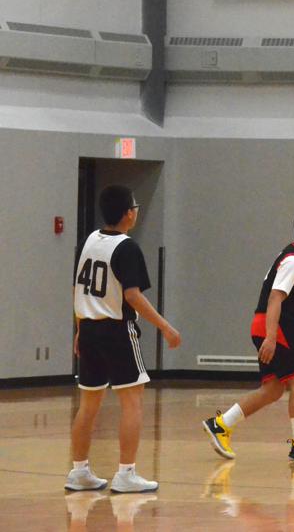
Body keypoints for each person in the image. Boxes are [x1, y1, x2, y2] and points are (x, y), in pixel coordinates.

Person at [66, 185, 182, 494]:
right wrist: (165, 327)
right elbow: (132, 296)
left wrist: (80, 327)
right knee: (133, 402)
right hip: (116, 330)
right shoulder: (128, 248)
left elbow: (80, 289)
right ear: (128, 213)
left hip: (89, 329)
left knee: (88, 404)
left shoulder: (88, 240)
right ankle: (126, 473)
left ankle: (79, 472)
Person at [202, 204, 294, 461]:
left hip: (271, 325)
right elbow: (275, 298)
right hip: (275, 326)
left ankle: (221, 425)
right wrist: (271, 337)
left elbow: (286, 298)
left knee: (274, 389)